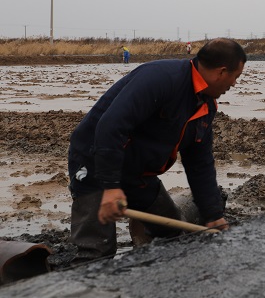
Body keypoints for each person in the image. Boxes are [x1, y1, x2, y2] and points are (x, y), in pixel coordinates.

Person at [67, 38, 247, 262]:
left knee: (172, 234)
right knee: (96, 253)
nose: (234, 84)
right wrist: (111, 187)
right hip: (95, 162)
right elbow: (110, 126)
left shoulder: (205, 105)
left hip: (137, 172)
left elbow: (199, 163)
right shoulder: (161, 78)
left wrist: (213, 214)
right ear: (221, 72)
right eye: (236, 76)